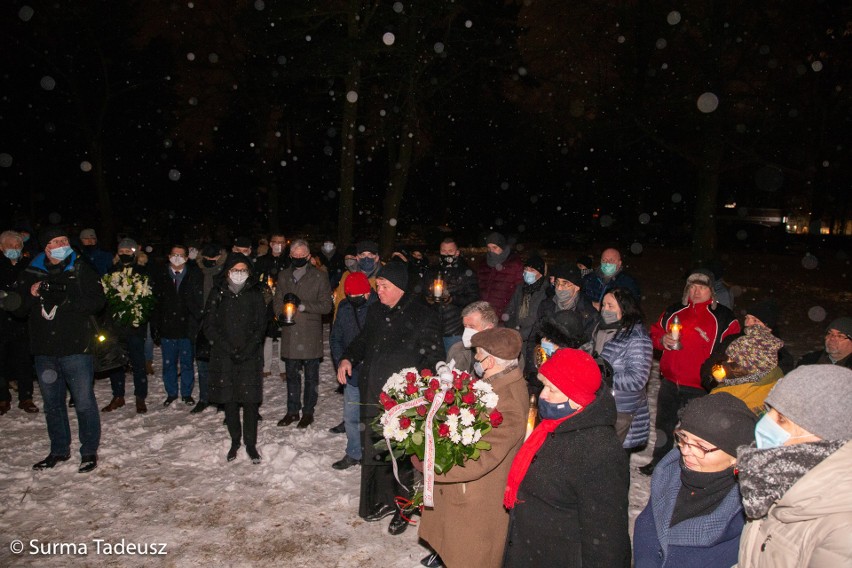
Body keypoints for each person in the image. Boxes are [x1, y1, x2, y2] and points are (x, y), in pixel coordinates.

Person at [337, 262, 444, 536]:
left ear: (400, 288)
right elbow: (363, 340)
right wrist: (349, 357)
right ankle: (379, 500)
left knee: (401, 455)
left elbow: (433, 358)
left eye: (384, 287)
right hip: (372, 393)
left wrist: (424, 389)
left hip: (403, 400)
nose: (378, 291)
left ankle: (404, 507)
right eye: (378, 286)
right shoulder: (375, 311)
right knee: (377, 449)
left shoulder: (423, 315)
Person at [502, 348, 631, 567]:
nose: (543, 395)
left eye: (552, 389)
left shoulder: (600, 451)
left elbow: (607, 537)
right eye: (544, 386)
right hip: (530, 551)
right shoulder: (554, 426)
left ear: (577, 397)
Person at [418, 327, 529, 568]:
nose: (476, 360)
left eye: (478, 354)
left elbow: (479, 460)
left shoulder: (508, 402)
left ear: (490, 360)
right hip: (467, 496)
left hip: (477, 504)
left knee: (470, 558)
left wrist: (429, 465)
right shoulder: (495, 383)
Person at [736, 365, 852, 567]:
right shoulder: (775, 478)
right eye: (769, 410)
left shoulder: (843, 531)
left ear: (823, 437)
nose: (765, 422)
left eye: (781, 419)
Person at [633, 393, 758, 568]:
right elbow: (649, 525)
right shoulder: (669, 473)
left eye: (701, 446)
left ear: (736, 456)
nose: (685, 451)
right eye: (683, 438)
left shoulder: (747, 512)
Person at [18, 227, 105, 472]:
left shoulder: (79, 268)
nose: (61, 244)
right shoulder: (32, 272)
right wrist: (32, 294)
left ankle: (88, 450)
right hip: (45, 350)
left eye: (64, 240)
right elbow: (18, 309)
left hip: (76, 347)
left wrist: (67, 300)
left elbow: (98, 301)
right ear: (46, 247)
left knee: (84, 401)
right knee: (52, 403)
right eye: (56, 241)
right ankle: (58, 449)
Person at [642, 268, 739, 475]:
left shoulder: (723, 317)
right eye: (692, 286)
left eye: (702, 287)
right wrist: (661, 340)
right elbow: (654, 332)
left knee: (695, 432)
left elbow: (734, 348)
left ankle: (691, 467)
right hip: (670, 382)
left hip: (701, 388)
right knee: (663, 427)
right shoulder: (674, 311)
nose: (696, 291)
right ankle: (658, 462)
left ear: (712, 290)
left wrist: (718, 375)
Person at [203, 254, 267, 463]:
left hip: (249, 355)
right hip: (224, 356)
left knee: (249, 401)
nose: (239, 274)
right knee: (230, 400)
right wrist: (228, 348)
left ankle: (251, 443)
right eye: (235, 270)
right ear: (227, 271)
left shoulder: (255, 294)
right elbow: (209, 325)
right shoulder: (217, 293)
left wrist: (248, 348)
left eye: (243, 270)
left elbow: (261, 325)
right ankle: (235, 440)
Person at [273, 239, 332, 428]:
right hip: (290, 332)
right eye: (295, 255)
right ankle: (292, 411)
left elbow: (326, 306)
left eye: (302, 255)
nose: (298, 258)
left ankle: (308, 412)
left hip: (310, 334)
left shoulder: (319, 276)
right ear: (290, 255)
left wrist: (303, 305)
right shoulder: (283, 275)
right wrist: (280, 314)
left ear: (308, 256)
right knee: (292, 376)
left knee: (311, 377)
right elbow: (276, 300)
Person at [594, 288, 653, 449]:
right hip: (600, 404)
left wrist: (604, 376)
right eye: (603, 305)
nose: (605, 309)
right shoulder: (601, 329)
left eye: (611, 306)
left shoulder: (636, 338)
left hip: (621, 410)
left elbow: (637, 379)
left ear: (625, 309)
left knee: (612, 463)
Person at [330, 272, 376, 469]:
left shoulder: (378, 307)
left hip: (374, 372)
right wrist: (342, 361)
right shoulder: (344, 307)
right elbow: (336, 338)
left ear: (367, 293)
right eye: (350, 297)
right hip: (352, 372)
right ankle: (354, 453)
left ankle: (375, 455)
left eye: (357, 297)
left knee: (374, 416)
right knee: (351, 416)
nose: (353, 300)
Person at [101, 238, 151, 414]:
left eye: (128, 251)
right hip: (116, 325)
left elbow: (149, 298)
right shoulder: (112, 271)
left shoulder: (143, 272)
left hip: (136, 325)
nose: (125, 255)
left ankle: (140, 396)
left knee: (138, 362)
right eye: (121, 252)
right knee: (115, 362)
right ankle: (118, 395)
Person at [151, 244, 204, 407]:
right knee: (169, 363)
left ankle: (187, 393)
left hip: (187, 328)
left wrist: (197, 322)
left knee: (187, 363)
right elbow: (156, 304)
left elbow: (197, 302)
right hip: (167, 327)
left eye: (180, 255)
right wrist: (156, 327)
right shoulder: (161, 276)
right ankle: (171, 393)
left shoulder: (194, 275)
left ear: (187, 258)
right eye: (174, 254)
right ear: (169, 256)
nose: (177, 258)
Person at [702, 323, 785, 414]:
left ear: (747, 366)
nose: (727, 362)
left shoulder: (726, 397)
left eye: (732, 359)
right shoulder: (775, 382)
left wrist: (721, 384)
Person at [0, 230, 38, 415]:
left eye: (17, 246)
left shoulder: (27, 266)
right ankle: (2, 398)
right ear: (1, 247)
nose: (14, 249)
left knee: (23, 359)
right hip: (1, 321)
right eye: (9, 246)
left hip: (22, 321)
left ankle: (26, 397)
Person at [424, 237, 480, 353]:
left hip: (455, 329)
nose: (446, 254)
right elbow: (422, 292)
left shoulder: (466, 272)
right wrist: (427, 298)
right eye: (443, 251)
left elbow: (474, 299)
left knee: (454, 366)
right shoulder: (432, 271)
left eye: (450, 251)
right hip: (433, 328)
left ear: (457, 253)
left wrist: (452, 299)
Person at [505, 255, 549, 391]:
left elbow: (537, 319)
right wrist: (512, 330)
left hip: (532, 341)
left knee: (529, 379)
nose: (528, 272)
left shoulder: (546, 291)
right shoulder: (521, 288)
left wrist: (521, 335)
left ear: (541, 273)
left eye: (532, 270)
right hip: (516, 337)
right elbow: (510, 311)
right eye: (526, 269)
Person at [192, 243, 226, 414]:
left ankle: (221, 399)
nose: (211, 261)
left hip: (220, 324)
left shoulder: (226, 273)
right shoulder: (197, 272)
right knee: (203, 363)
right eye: (208, 259)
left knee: (220, 364)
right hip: (201, 323)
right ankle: (204, 398)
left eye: (214, 258)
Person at [535, 262, 598, 343]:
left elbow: (587, 345)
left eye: (565, 284)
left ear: (576, 287)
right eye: (557, 283)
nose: (559, 288)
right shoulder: (546, 305)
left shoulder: (588, 313)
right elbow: (536, 335)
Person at [254, 233, 290, 378]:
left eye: (281, 242)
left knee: (283, 335)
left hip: (284, 302)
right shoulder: (262, 261)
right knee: (267, 335)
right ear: (270, 244)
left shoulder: (289, 261)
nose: (278, 245)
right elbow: (256, 280)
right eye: (275, 242)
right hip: (266, 303)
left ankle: (283, 368)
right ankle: (265, 366)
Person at [476, 231, 523, 319]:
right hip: (484, 315)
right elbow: (479, 289)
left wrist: (509, 313)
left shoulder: (514, 264)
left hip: (504, 316)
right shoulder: (483, 264)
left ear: (502, 247)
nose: (491, 251)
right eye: (489, 248)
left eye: (495, 247)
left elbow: (518, 292)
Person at [446, 300, 499, 373]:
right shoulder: (456, 350)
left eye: (472, 327)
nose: (467, 332)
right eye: (465, 326)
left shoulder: (506, 355)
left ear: (488, 329)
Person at [333, 240, 381, 313]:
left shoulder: (386, 276)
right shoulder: (347, 276)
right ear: (357, 258)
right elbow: (339, 303)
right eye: (362, 255)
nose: (366, 259)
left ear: (377, 258)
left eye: (370, 255)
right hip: (352, 321)